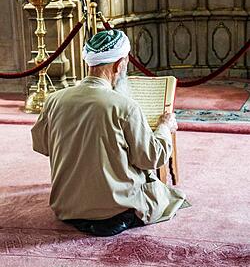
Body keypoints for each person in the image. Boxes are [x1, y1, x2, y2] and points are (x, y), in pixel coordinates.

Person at [31, 29, 189, 237]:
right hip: (114, 212)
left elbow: (41, 145)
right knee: (169, 196)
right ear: (119, 64)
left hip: (66, 207)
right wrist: (164, 127)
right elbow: (151, 158)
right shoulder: (125, 107)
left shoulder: (54, 100)